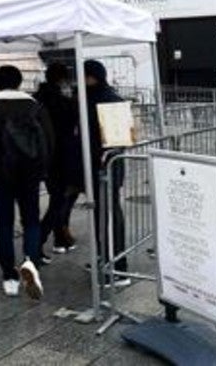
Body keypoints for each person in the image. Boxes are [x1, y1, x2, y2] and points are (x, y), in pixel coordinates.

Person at [0, 65, 55, 299]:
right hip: (30, 173)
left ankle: (9, 276)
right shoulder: (36, 108)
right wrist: (43, 170)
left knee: (4, 223)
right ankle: (31, 262)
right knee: (31, 220)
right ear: (20, 81)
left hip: (0, 175)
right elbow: (49, 142)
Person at [83, 59, 130, 287]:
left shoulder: (110, 99)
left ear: (94, 77)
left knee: (110, 214)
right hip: (97, 167)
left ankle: (119, 267)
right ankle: (104, 258)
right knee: (100, 215)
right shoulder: (91, 98)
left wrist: (106, 160)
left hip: (107, 167)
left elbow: (120, 139)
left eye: (85, 76)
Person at [35, 62, 82, 257]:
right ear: (63, 79)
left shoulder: (36, 99)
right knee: (61, 199)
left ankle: (60, 237)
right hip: (62, 156)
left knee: (60, 198)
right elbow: (72, 124)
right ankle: (39, 240)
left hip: (42, 155)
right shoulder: (64, 102)